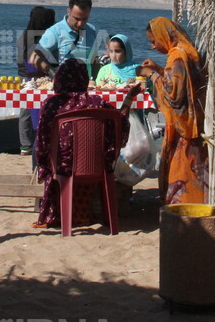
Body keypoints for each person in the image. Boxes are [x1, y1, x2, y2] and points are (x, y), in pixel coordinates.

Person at [33, 58, 141, 228]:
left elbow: (42, 140)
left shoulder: (52, 104)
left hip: (62, 166)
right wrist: (129, 98)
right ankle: (86, 213)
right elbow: (120, 123)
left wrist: (44, 164)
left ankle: (60, 214)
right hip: (96, 165)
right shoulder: (97, 102)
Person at [141, 17, 208, 205]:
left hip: (184, 130)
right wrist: (159, 69)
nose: (153, 47)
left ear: (163, 36)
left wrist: (152, 76)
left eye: (154, 41)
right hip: (196, 123)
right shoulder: (188, 51)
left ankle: (183, 212)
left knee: (182, 174)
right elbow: (183, 84)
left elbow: (174, 96)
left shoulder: (177, 56)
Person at [16, 6, 56, 156]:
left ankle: (26, 145)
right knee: (34, 110)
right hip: (36, 78)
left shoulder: (24, 36)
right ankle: (32, 144)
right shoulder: (41, 38)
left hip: (25, 76)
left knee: (26, 111)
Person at [29, 0, 100, 76]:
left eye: (85, 19)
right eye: (77, 19)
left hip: (87, 85)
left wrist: (97, 81)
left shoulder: (92, 30)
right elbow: (34, 58)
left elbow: (94, 60)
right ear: (68, 12)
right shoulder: (55, 31)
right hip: (63, 86)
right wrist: (53, 75)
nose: (80, 23)